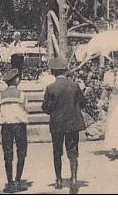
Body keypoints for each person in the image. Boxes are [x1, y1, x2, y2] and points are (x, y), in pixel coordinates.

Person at [41, 57, 86, 193]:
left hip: (57, 124)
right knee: (73, 152)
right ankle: (73, 179)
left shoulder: (50, 88)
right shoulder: (74, 85)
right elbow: (82, 102)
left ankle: (59, 180)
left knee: (57, 152)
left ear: (53, 72)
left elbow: (46, 108)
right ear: (66, 71)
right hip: (72, 123)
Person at [0, 68, 29, 193]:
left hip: (6, 127)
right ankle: (18, 180)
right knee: (21, 152)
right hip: (19, 126)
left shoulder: (0, 95)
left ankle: (9, 182)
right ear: (16, 80)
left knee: (8, 154)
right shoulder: (22, 94)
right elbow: (26, 110)